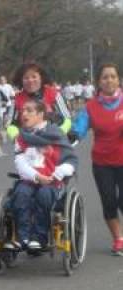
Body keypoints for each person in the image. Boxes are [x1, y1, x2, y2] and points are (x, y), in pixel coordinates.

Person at [9, 99, 77, 251]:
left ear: (40, 114)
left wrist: (56, 174)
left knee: (44, 195)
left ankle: (39, 238)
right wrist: (37, 177)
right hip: (29, 180)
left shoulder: (56, 134)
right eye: (22, 111)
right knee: (20, 194)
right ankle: (22, 237)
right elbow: (20, 163)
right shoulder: (21, 137)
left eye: (29, 110)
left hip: (52, 181)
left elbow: (71, 160)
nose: (23, 114)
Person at [71, 63, 123, 255]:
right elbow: (80, 127)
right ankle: (118, 239)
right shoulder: (91, 107)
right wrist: (73, 135)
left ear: (118, 80)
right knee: (109, 202)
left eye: (113, 76)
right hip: (102, 163)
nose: (109, 80)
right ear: (99, 82)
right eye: (105, 77)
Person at [8, 63, 71, 140]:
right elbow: (10, 124)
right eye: (26, 78)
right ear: (21, 81)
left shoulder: (54, 94)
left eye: (34, 77)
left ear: (41, 78)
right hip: (28, 142)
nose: (30, 80)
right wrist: (16, 137)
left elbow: (67, 119)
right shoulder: (17, 99)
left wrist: (59, 133)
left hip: (54, 141)